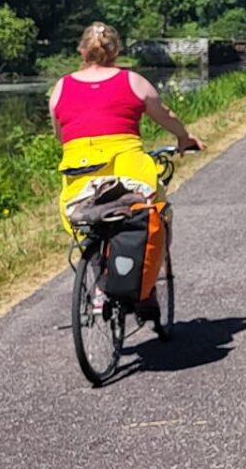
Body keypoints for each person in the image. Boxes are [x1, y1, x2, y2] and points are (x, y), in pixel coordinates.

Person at [52, 23, 203, 320]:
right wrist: (184, 138)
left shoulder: (61, 87)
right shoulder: (133, 81)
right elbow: (165, 115)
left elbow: (61, 134)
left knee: (90, 229)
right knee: (157, 216)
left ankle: (99, 285)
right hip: (127, 171)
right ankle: (145, 289)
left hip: (81, 175)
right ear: (117, 50)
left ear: (82, 51)